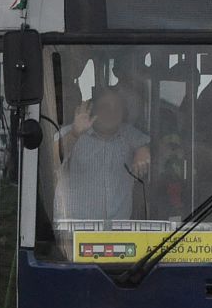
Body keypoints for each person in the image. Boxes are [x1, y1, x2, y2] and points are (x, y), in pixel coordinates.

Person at [55, 86, 150, 222]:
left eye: (117, 107)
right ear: (93, 110)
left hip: (118, 232)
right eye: (105, 107)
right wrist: (75, 134)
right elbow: (52, 157)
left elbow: (145, 145)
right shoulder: (73, 132)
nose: (111, 112)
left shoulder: (129, 134)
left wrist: (143, 152)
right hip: (74, 231)